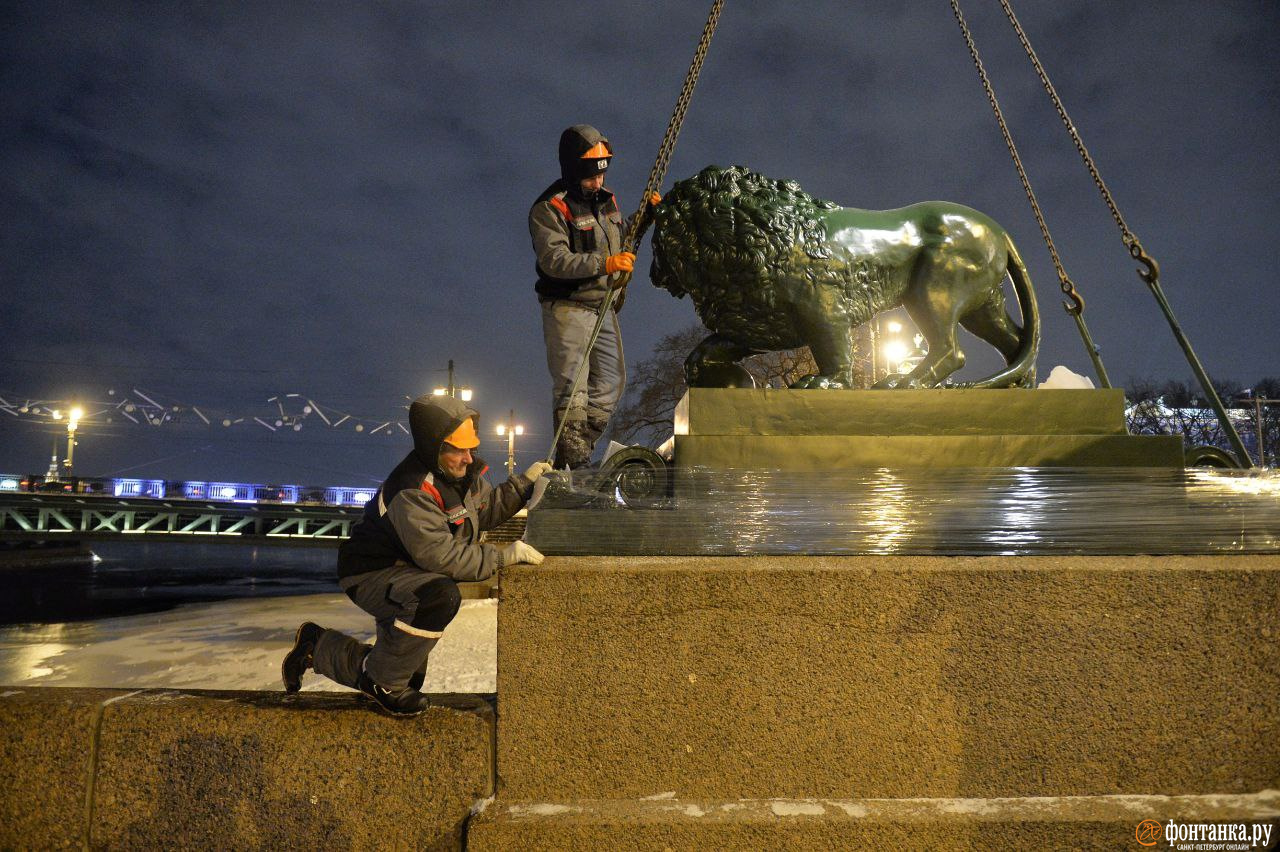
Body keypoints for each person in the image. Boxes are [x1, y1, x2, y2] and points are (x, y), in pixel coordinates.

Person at [281, 394, 551, 716]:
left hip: (406, 572)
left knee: (408, 673)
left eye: (471, 448)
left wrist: (524, 484)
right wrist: (501, 558)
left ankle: (318, 647)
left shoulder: (460, 476)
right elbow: (441, 556)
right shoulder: (412, 489)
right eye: (459, 449)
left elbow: (485, 510)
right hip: (372, 574)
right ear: (434, 447)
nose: (468, 458)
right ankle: (384, 683)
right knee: (437, 600)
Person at [530, 124, 659, 468]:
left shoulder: (606, 200)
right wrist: (606, 263)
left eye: (601, 176)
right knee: (574, 388)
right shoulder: (550, 209)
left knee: (612, 381)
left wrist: (643, 219)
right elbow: (554, 260)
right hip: (568, 307)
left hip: (602, 305)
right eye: (590, 177)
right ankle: (572, 463)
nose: (597, 183)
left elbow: (620, 237)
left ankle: (577, 449)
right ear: (573, 170)